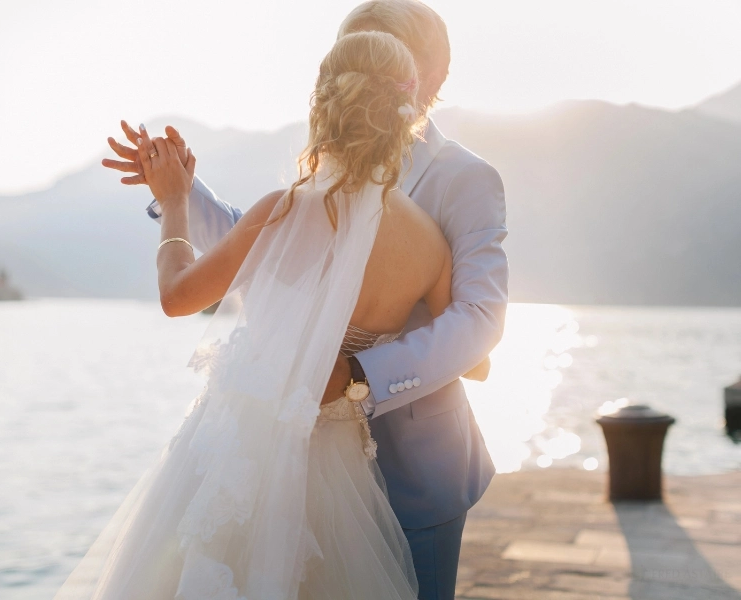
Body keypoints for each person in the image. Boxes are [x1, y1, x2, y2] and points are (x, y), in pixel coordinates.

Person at [103, 3, 508, 598]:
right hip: (291, 468)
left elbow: (478, 321)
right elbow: (270, 247)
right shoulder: (374, 216)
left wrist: (356, 374)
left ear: (434, 74)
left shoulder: (465, 178)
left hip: (414, 468)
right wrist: (180, 193)